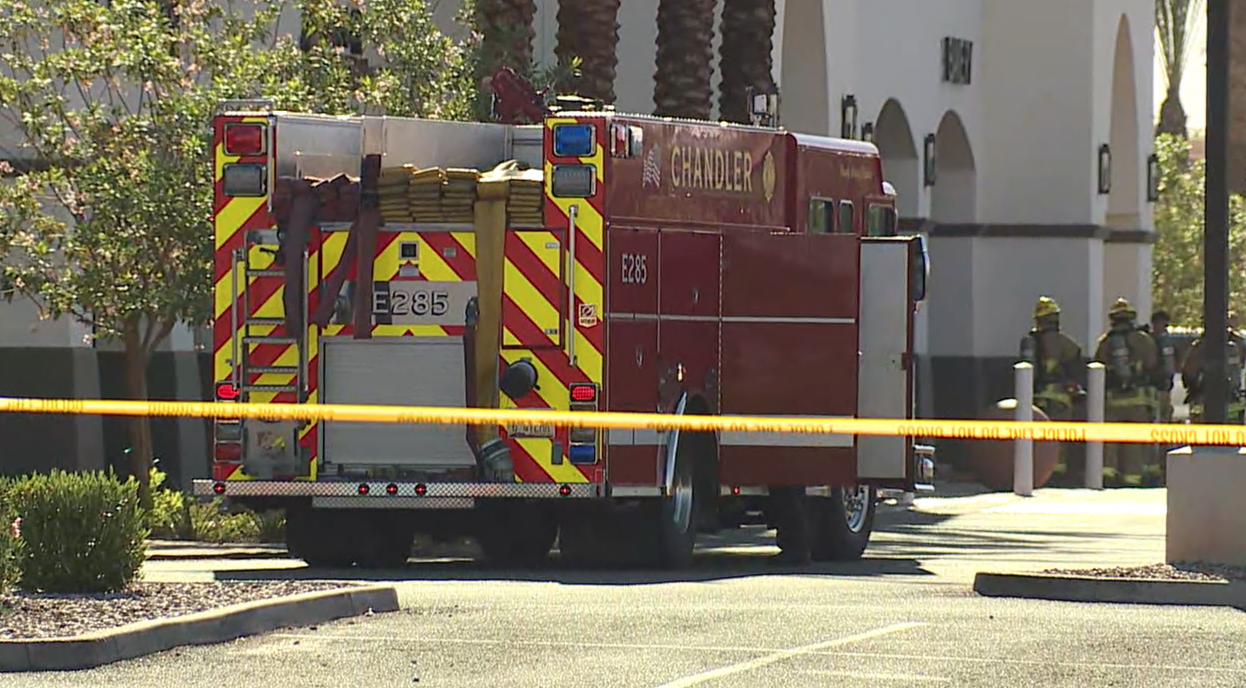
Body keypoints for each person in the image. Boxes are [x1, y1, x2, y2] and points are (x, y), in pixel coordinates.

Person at [1093, 298, 1159, 487]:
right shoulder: (1144, 340)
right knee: (1135, 440)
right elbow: (1152, 365)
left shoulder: (1106, 342)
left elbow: (1098, 369)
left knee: (1111, 440)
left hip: (1113, 401)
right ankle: (1133, 477)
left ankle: (1109, 474)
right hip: (1138, 400)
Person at [1020, 296, 1086, 482]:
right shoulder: (1068, 344)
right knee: (1058, 437)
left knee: (1036, 438)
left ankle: (1038, 471)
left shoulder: (1030, 342)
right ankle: (1057, 471)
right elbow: (1077, 371)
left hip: (1035, 399)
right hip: (1061, 400)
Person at [1181, 323, 1246, 424]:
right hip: (1219, 403)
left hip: (1211, 405)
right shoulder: (1233, 348)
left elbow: (1188, 375)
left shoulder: (1199, 348)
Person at [1143, 311, 1177, 424]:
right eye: (1163, 324)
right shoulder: (1147, 340)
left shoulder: (1166, 341)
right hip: (1151, 385)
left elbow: (1170, 364)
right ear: (1155, 323)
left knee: (1164, 415)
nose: (1164, 328)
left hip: (1163, 385)